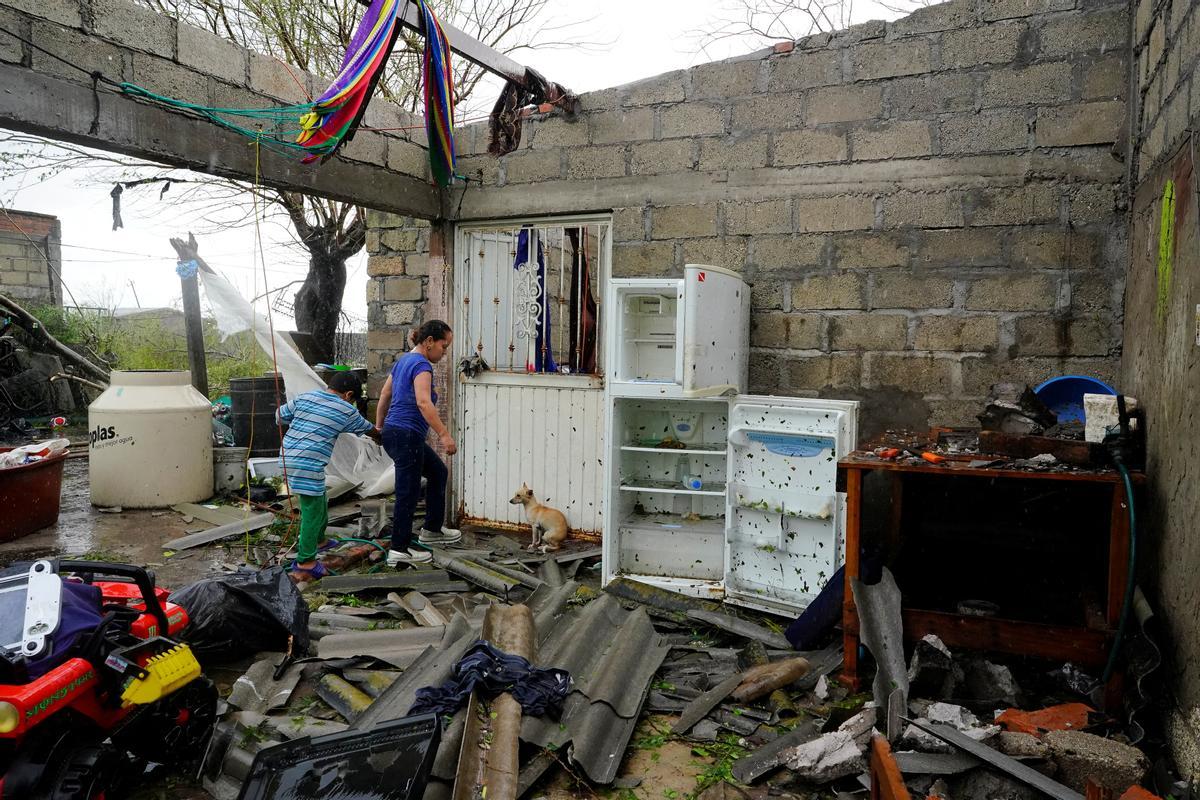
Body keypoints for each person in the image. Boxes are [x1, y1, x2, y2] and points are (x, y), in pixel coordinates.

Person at [377, 319, 462, 567]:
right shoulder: (422, 365)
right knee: (408, 491)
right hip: (406, 435)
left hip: (396, 432)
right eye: (444, 346)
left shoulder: (403, 361)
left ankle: (432, 530)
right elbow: (424, 403)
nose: (444, 352)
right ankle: (399, 550)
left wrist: (380, 427)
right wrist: (444, 435)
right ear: (429, 342)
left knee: (438, 472)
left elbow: (385, 395)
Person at [277, 371, 377, 580]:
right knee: (311, 511)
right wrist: (383, 437)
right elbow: (369, 430)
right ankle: (306, 561)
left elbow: (279, 416)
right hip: (307, 463)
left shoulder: (306, 397)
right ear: (349, 394)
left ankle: (319, 540)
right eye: (353, 400)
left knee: (319, 498)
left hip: (288, 457)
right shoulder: (345, 409)